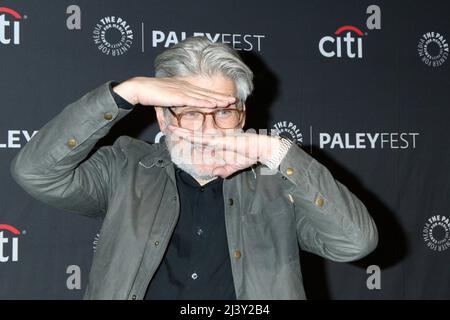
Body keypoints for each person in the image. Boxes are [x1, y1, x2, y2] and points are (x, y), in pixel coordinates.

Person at [10, 36, 378, 300]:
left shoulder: (278, 180)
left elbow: (354, 243)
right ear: (163, 116)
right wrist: (127, 92)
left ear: (242, 114)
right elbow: (35, 171)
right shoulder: (126, 165)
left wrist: (277, 151)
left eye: (222, 111)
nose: (207, 130)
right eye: (189, 112)